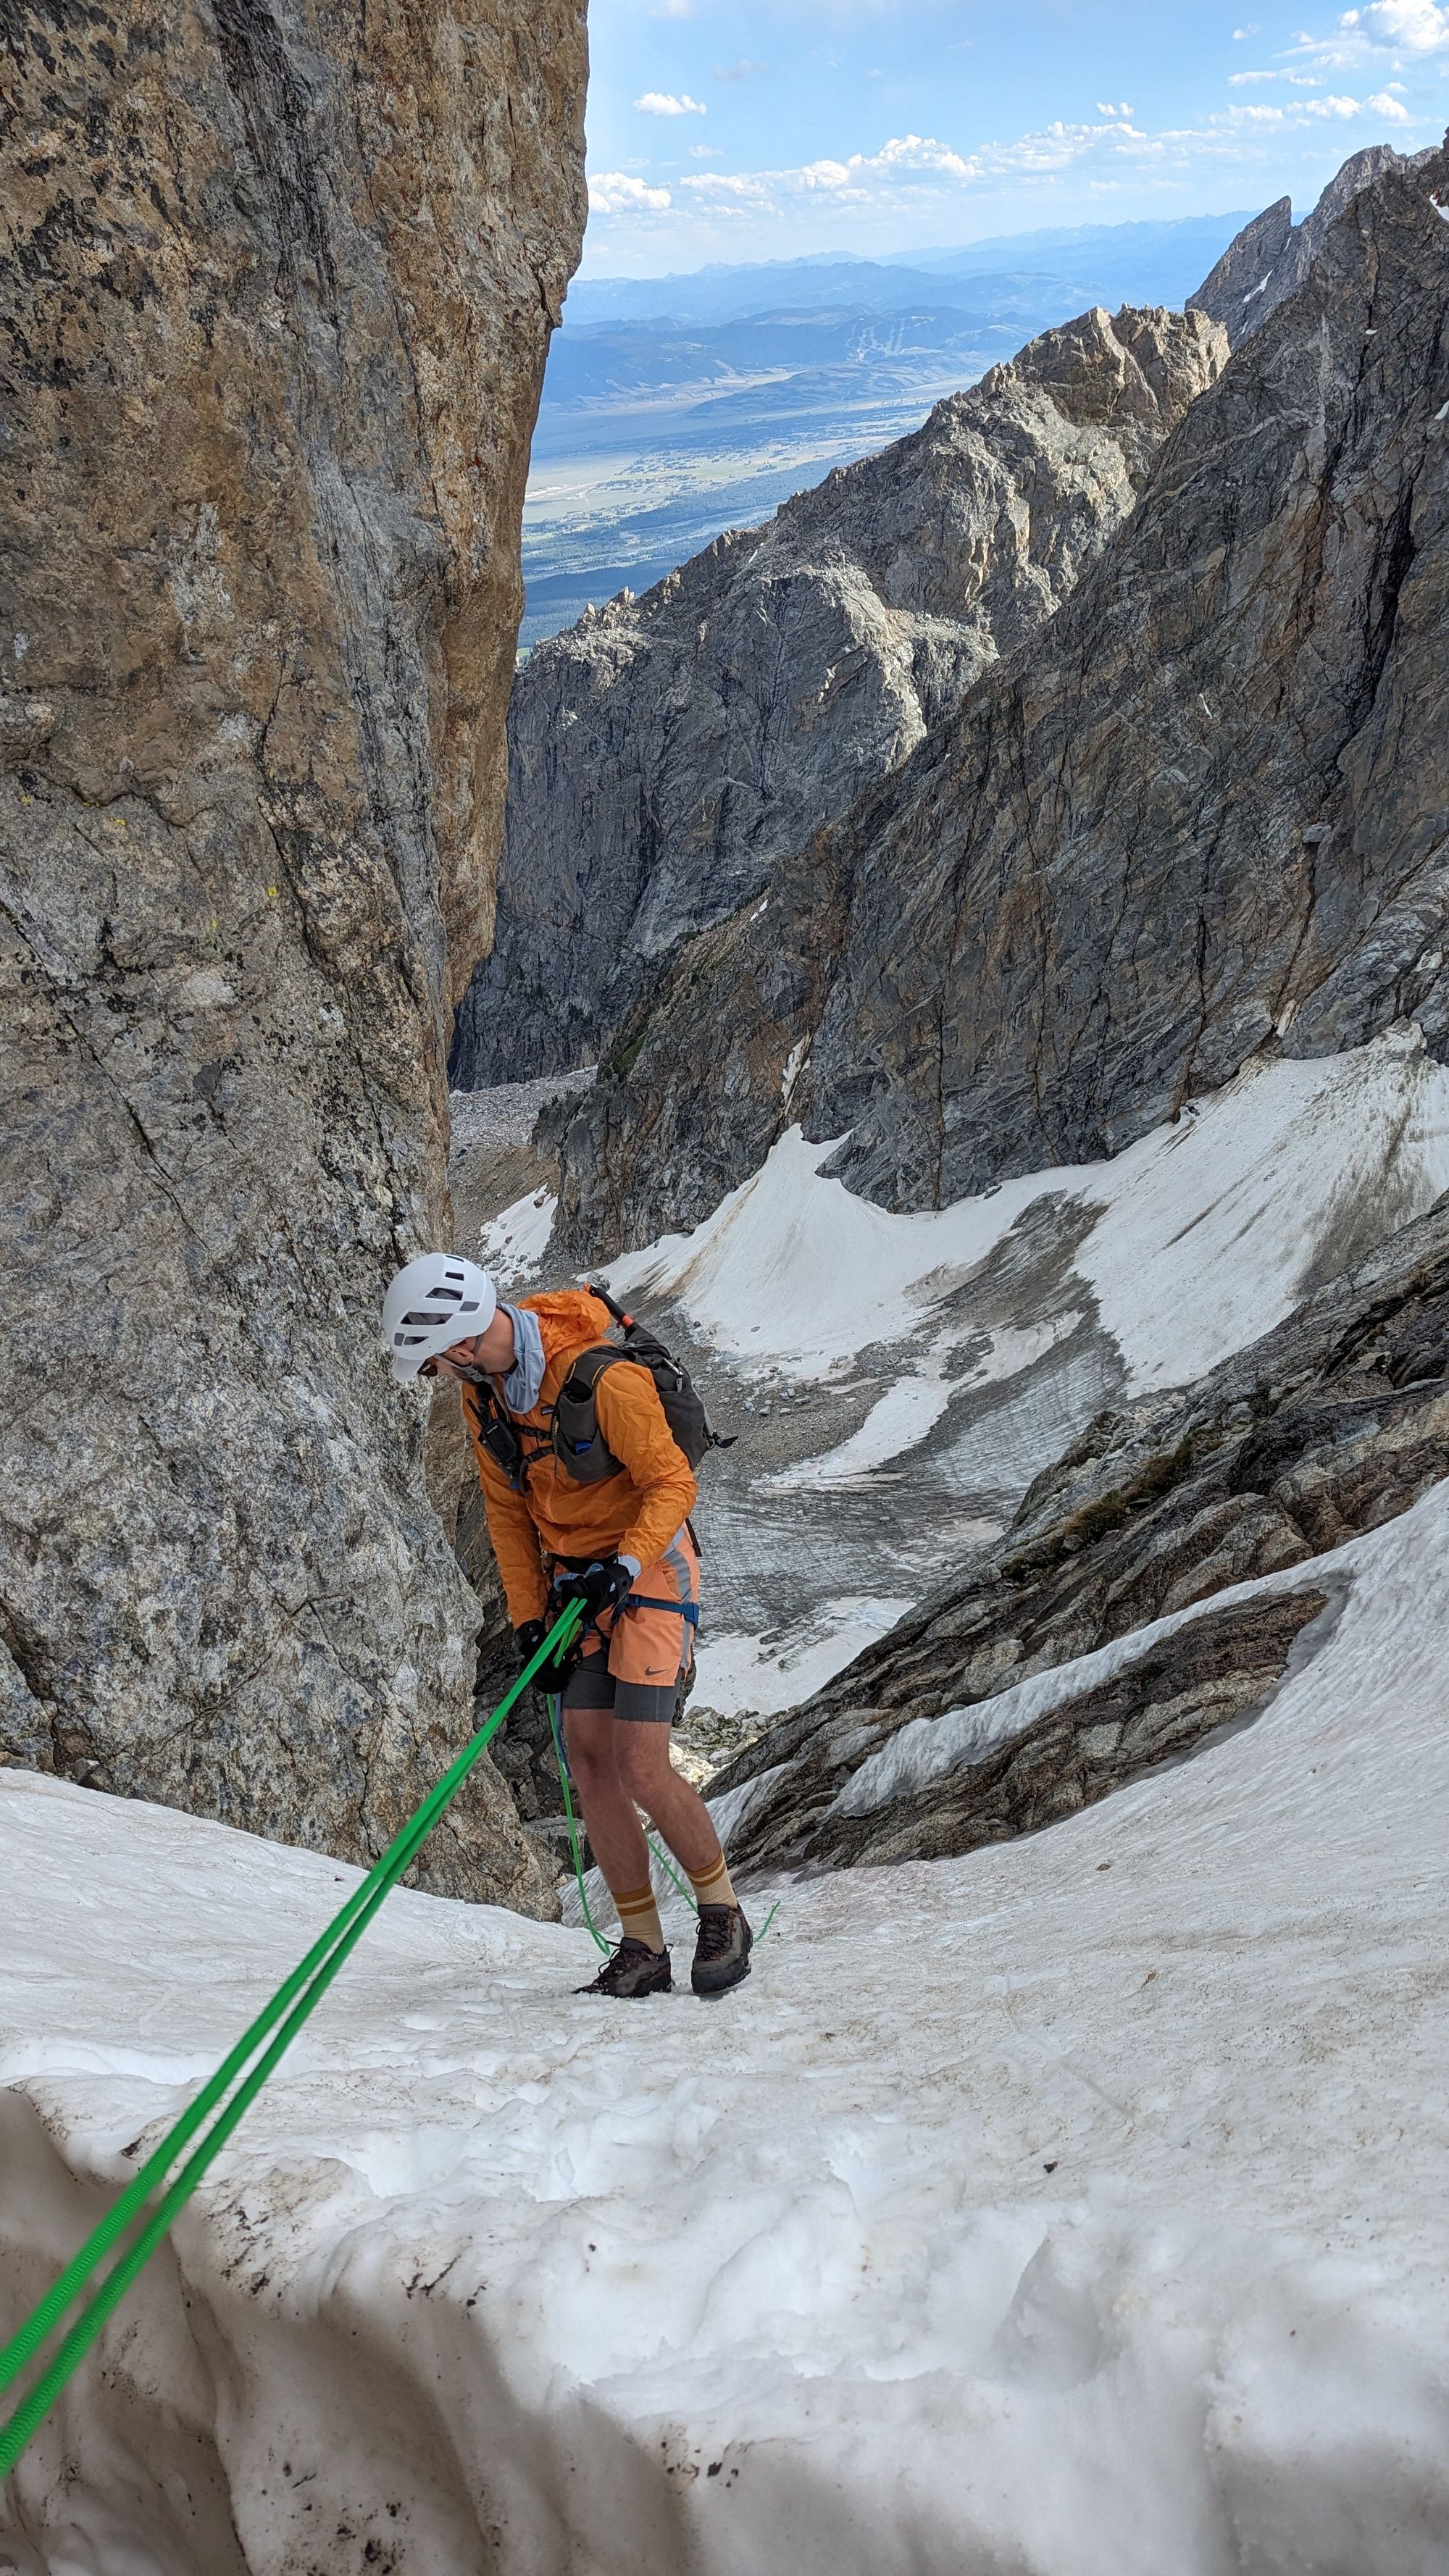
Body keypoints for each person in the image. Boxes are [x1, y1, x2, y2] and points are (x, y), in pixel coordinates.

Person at [380, 1253, 753, 1999]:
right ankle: (642, 1943)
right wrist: (526, 1617)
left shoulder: (598, 1375)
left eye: (430, 1363)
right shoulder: (484, 1399)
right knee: (588, 1763)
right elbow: (509, 1515)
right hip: (575, 1590)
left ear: (455, 1341)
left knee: (640, 1763)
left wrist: (622, 1564)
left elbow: (671, 1481)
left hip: (645, 1574)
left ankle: (722, 1913)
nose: (435, 1377)